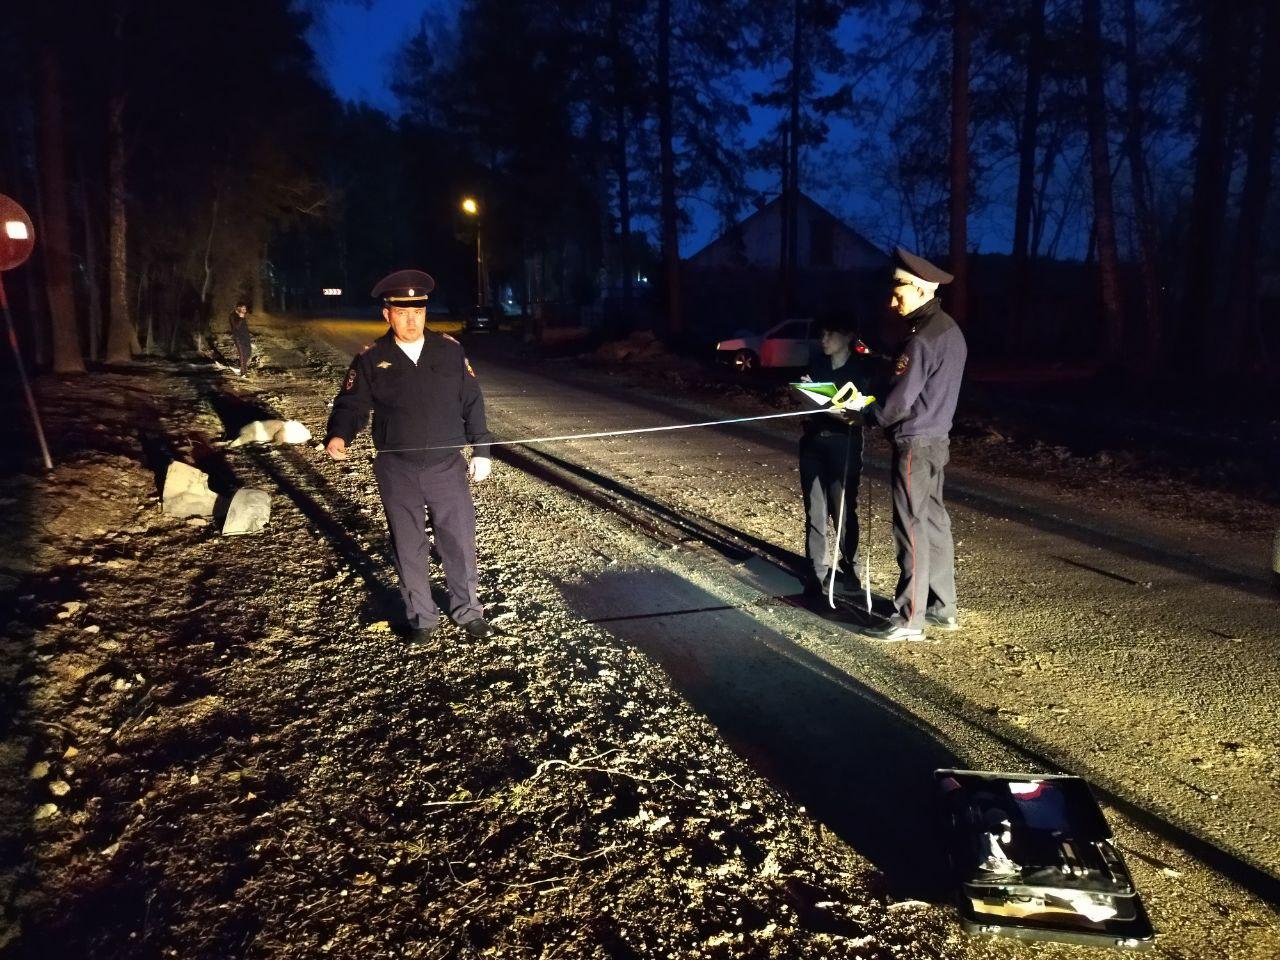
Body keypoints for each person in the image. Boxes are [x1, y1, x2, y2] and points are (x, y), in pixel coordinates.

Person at [324, 270, 494, 643]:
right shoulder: (371, 358)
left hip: (446, 465)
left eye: (418, 310)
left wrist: (481, 450)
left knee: (459, 541)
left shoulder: (450, 351)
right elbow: (352, 405)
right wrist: (339, 435)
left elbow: (472, 402)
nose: (412, 319)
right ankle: (421, 616)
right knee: (408, 544)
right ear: (387, 314)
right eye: (402, 312)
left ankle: (467, 610)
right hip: (396, 468)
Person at [861, 246, 968, 641]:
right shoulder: (949, 330)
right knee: (936, 523)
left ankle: (909, 619)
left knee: (912, 528)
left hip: (914, 445)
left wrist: (868, 412)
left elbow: (899, 403)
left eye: (899, 291)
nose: (892, 301)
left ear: (923, 289)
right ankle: (944, 609)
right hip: (938, 440)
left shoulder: (920, 339)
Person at [797, 314, 879, 597]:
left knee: (842, 510)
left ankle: (850, 570)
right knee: (814, 511)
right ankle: (816, 572)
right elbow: (805, 402)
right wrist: (805, 393)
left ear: (847, 337)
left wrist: (845, 411)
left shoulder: (861, 370)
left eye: (829, 335)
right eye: (822, 335)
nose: (823, 340)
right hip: (812, 444)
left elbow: (865, 410)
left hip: (843, 444)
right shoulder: (817, 365)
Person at [229, 301, 252, 377]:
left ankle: (239, 367)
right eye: (243, 309)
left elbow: (244, 327)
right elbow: (237, 327)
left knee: (248, 353)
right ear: (238, 308)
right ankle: (243, 373)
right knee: (243, 355)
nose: (245, 310)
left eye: (245, 308)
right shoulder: (233, 316)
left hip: (245, 338)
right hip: (239, 338)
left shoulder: (241, 315)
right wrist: (241, 317)